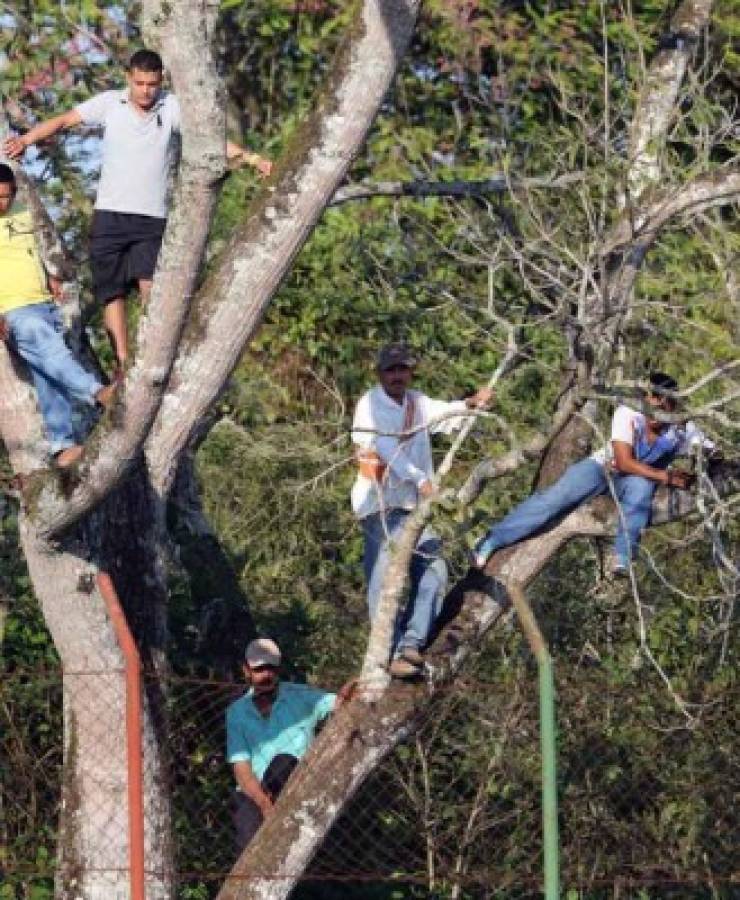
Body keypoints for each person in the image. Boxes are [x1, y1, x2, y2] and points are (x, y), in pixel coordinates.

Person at [3, 48, 272, 370]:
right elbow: (64, 121)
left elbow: (213, 142)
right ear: (129, 78)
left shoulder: (172, 107)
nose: (146, 91)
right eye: (140, 83)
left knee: (152, 288)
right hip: (110, 215)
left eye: (152, 84)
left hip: (151, 217)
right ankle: (122, 361)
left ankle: (155, 357)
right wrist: (25, 141)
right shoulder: (110, 103)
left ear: (161, 81)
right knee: (111, 291)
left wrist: (253, 159)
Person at [472, 372, 713, 576]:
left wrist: (701, 467)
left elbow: (710, 450)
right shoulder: (629, 412)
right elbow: (624, 461)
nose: (654, 409)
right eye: (650, 402)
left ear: (671, 404)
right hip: (601, 469)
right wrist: (667, 477)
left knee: (640, 490)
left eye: (661, 405)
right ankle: (492, 540)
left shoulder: (682, 428)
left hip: (635, 481)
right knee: (554, 498)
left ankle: (622, 557)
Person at [351, 343, 493, 678]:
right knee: (384, 582)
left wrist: (472, 404)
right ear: (379, 373)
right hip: (381, 507)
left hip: (416, 507)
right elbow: (384, 449)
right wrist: (420, 481)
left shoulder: (417, 402)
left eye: (403, 369)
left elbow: (446, 414)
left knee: (435, 571)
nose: (397, 376)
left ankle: (411, 645)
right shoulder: (369, 405)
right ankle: (387, 651)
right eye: (391, 370)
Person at [0, 164, 116, 467]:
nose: (2, 203)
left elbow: (28, 252)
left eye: (7, 196)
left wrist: (49, 278)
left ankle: (62, 446)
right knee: (50, 351)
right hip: (13, 310)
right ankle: (97, 393)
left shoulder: (22, 212)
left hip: (43, 303)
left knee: (49, 371)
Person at [226, 638, 353, 852]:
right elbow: (241, 767)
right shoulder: (236, 712)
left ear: (279, 669)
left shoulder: (301, 696)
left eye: (271, 669)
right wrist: (264, 803)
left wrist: (353, 688)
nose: (266, 675)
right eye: (259, 669)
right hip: (254, 792)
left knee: (283, 761)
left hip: (294, 783)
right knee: (247, 845)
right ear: (246, 670)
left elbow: (337, 702)